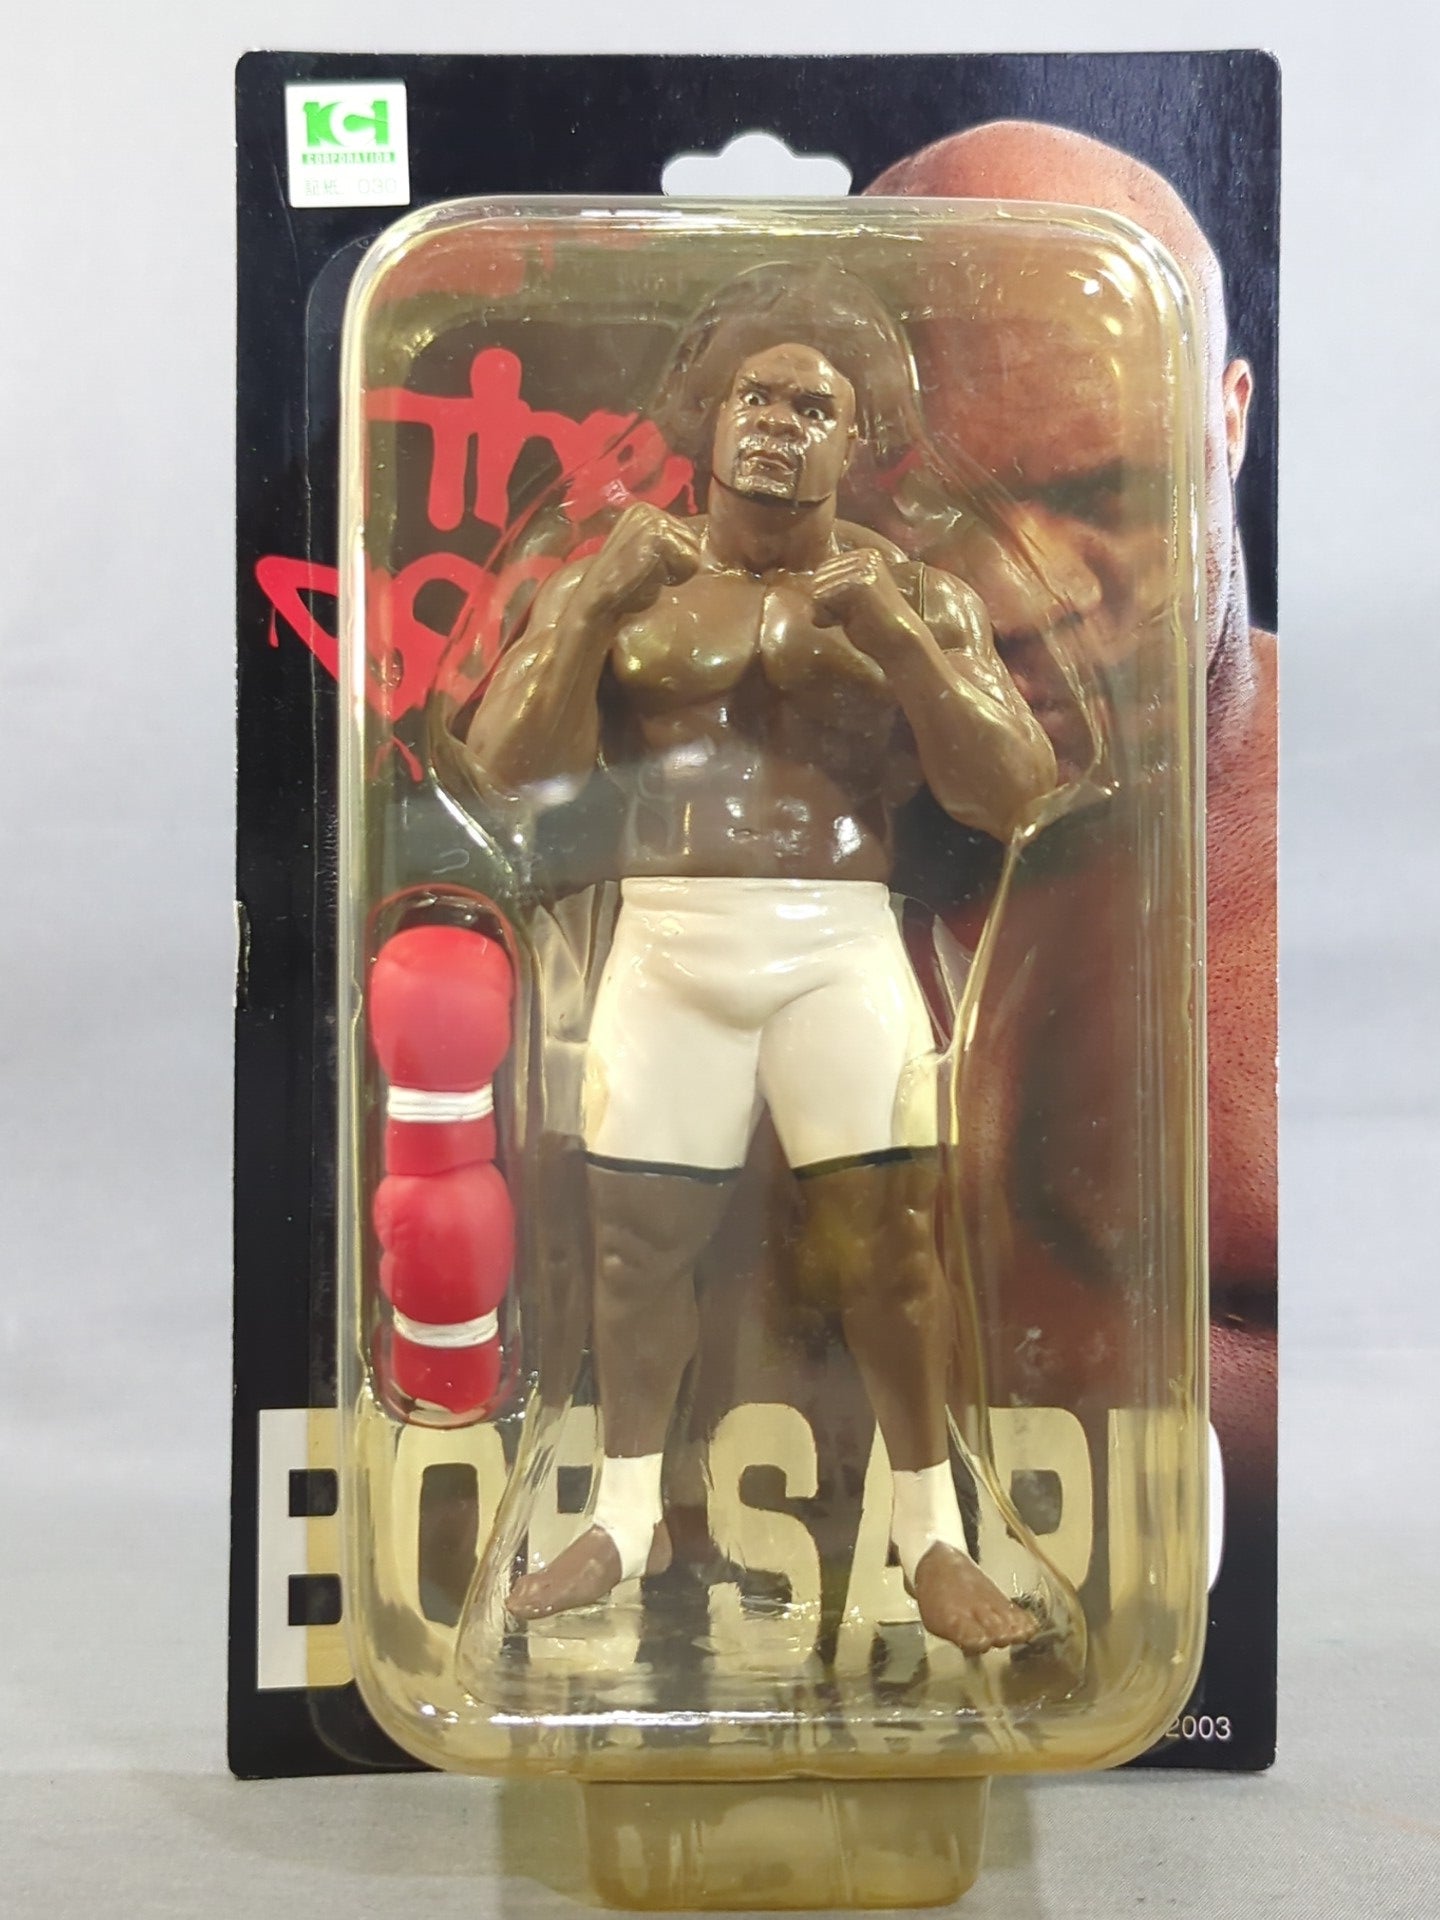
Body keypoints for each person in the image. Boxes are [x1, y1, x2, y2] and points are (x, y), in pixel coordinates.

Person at [463, 337, 1056, 1653]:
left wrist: (901, 646)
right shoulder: (630, 576)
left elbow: (1015, 793)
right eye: (758, 396)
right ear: (711, 416)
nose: (780, 422)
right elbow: (502, 772)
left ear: (861, 439)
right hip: (667, 938)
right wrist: (585, 608)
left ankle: (933, 1537)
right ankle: (625, 1519)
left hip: (839, 937)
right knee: (633, 1246)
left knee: (895, 1243)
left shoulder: (913, 591)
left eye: (814, 404)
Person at [866, 122, 1277, 1505]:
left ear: (1228, 421)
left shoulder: (1379, 854)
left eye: (1102, 494)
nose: (1004, 594)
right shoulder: (717, 841)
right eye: (929, 502)